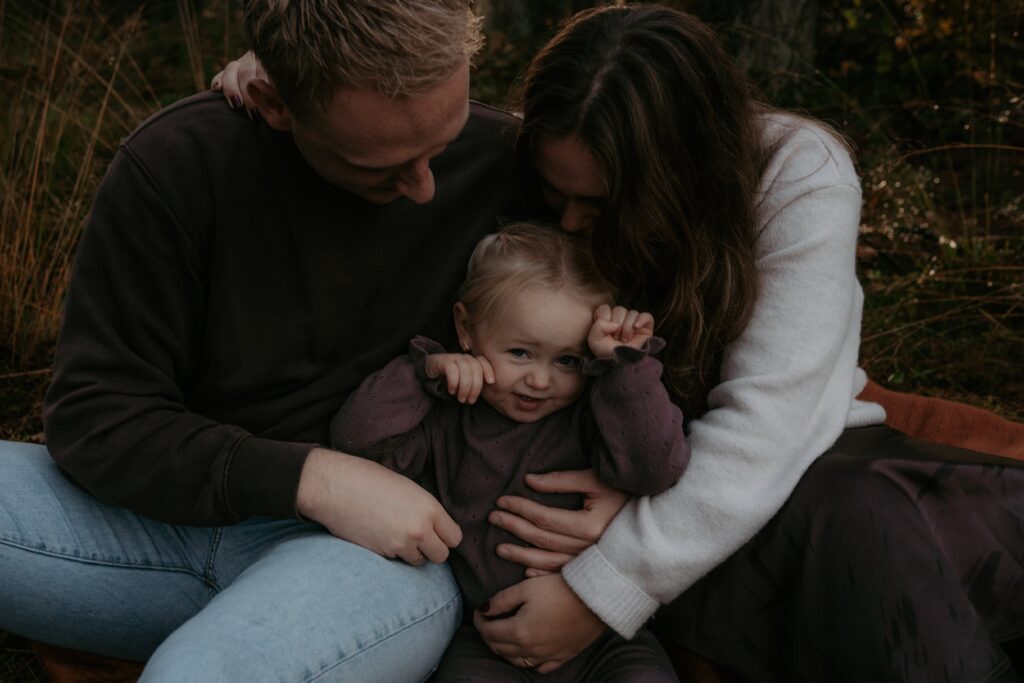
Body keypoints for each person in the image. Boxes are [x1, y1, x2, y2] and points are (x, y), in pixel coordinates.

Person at [213, 5, 1024, 681]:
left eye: (597, 205)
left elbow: (773, 420)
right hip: (623, 482)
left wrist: (608, 580)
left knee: (871, 521)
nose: (568, 223)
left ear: (676, 177)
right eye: (554, 195)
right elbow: (415, 129)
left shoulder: (795, 172)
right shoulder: (567, 154)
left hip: (760, 479)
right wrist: (306, 75)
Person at [0, 1, 528, 681]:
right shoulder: (180, 162)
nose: (425, 188)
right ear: (276, 103)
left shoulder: (512, 164)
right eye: (382, 166)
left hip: (382, 561)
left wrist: (614, 562)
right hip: (147, 527)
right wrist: (312, 477)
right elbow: (95, 413)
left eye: (441, 146)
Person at [331, 222, 687, 681]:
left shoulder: (597, 411)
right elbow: (357, 443)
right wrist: (423, 375)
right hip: (487, 640)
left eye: (567, 361)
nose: (540, 381)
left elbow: (655, 470)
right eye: (520, 352)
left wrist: (625, 368)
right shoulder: (448, 418)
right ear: (466, 328)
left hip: (606, 639)